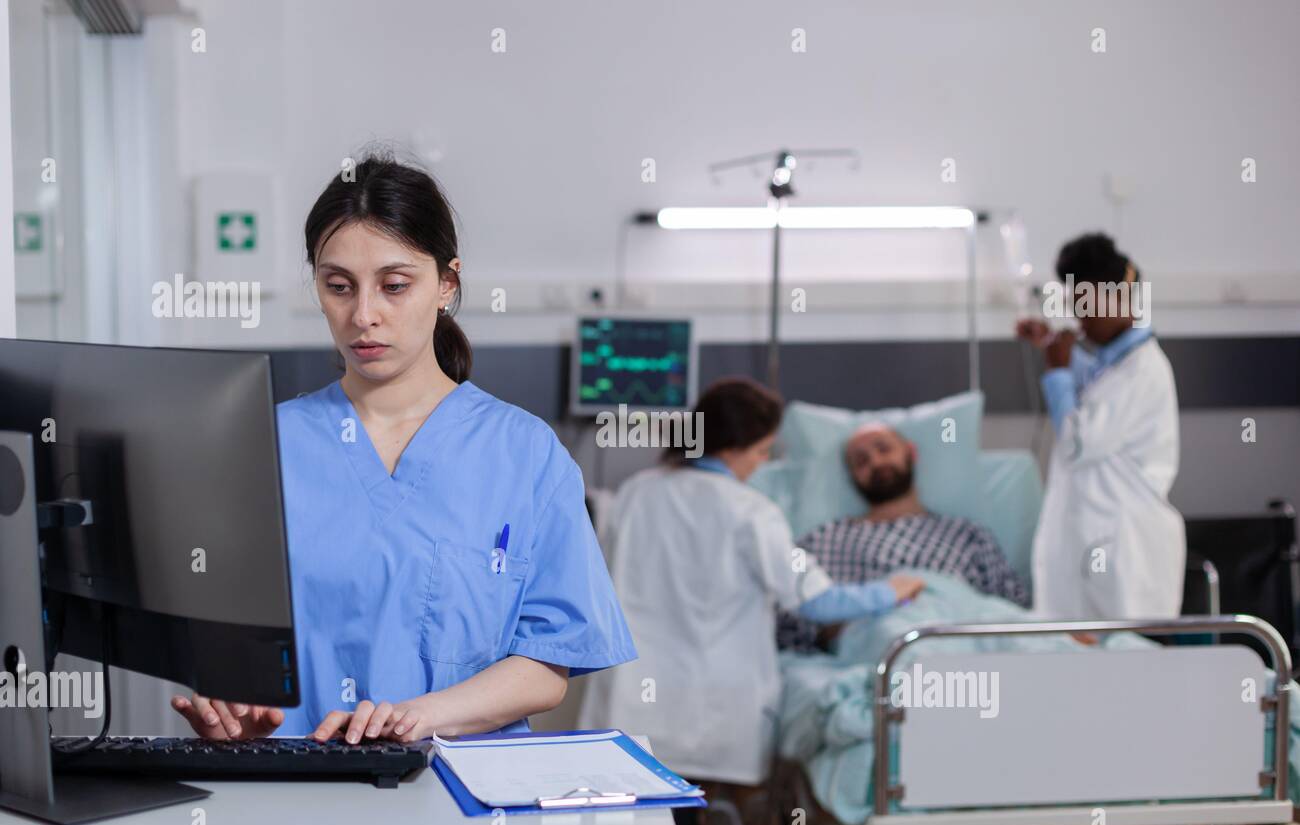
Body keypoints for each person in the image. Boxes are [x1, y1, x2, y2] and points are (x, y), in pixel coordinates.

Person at [171, 153, 636, 758]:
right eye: (338, 286)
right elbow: (222, 645)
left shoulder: (525, 455)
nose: (363, 315)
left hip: (464, 804)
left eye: (394, 285)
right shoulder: (262, 447)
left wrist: (419, 717)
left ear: (447, 283)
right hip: (291, 806)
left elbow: (548, 664)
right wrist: (229, 712)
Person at [578, 378, 924, 788]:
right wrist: (891, 590)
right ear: (732, 449)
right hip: (713, 708)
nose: (761, 463)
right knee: (699, 808)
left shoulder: (636, 492)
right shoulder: (752, 511)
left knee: (640, 815)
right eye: (762, 451)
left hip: (631, 700)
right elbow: (817, 602)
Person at [1015, 233, 1184, 620]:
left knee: (1125, 665)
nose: (1081, 321)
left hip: (1123, 546)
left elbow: (1078, 442)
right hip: (1100, 539)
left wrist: (1056, 372)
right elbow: (1092, 388)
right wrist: (1048, 345)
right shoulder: (1113, 364)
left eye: (1086, 308)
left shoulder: (1141, 370)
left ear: (1118, 297)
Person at [778, 421, 1029, 652]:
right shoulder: (821, 542)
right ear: (852, 477)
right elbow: (791, 622)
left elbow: (1011, 608)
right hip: (883, 636)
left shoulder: (968, 534)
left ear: (911, 452)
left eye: (884, 449)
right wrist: (844, 622)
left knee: (1052, 646)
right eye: (861, 461)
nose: (875, 462)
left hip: (965, 632)